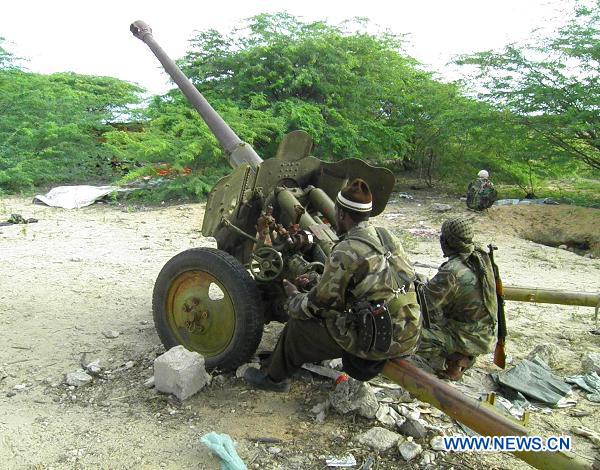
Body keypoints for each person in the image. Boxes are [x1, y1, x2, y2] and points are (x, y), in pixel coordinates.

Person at [245, 178, 422, 392]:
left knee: (299, 326)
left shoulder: (346, 250)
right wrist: (318, 282)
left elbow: (320, 305)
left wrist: (294, 297)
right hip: (410, 331)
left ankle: (273, 379)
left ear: (340, 214)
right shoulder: (386, 237)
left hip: (379, 340)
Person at [415, 217, 497, 380]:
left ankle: (459, 356)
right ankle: (460, 354)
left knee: (402, 335)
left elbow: (424, 304)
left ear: (445, 241)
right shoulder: (481, 258)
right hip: (483, 331)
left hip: (467, 337)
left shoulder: (453, 271)